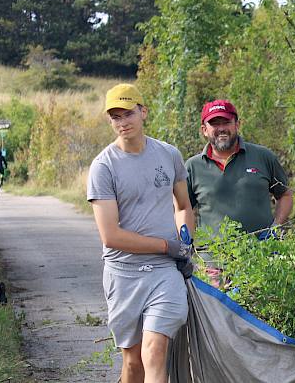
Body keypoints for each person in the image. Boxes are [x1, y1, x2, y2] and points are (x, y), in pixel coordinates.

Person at [87, 83, 195, 383]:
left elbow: (183, 206)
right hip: (123, 273)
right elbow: (111, 236)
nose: (123, 122)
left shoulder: (169, 154)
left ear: (143, 112)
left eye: (128, 114)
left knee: (154, 350)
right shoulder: (103, 167)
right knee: (133, 363)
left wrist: (185, 240)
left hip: (164, 273)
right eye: (115, 117)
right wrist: (167, 246)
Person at [185, 99, 293, 284]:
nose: (221, 129)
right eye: (214, 124)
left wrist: (275, 228)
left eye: (226, 122)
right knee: (217, 313)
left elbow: (284, 195)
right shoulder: (193, 167)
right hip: (213, 265)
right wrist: (187, 246)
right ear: (204, 130)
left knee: (264, 311)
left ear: (237, 125)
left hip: (262, 257)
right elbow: (182, 209)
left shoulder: (262, 157)